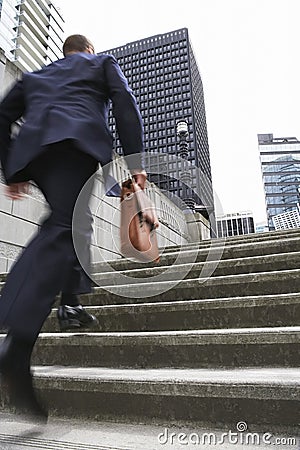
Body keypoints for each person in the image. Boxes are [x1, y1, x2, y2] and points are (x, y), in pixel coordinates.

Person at [0, 34, 147, 422]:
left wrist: (10, 168)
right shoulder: (100, 63)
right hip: (77, 143)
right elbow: (124, 100)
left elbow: (1, 114)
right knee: (63, 227)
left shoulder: (38, 75)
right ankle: (14, 344)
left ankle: (69, 303)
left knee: (73, 223)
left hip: (38, 152)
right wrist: (135, 161)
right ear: (89, 51)